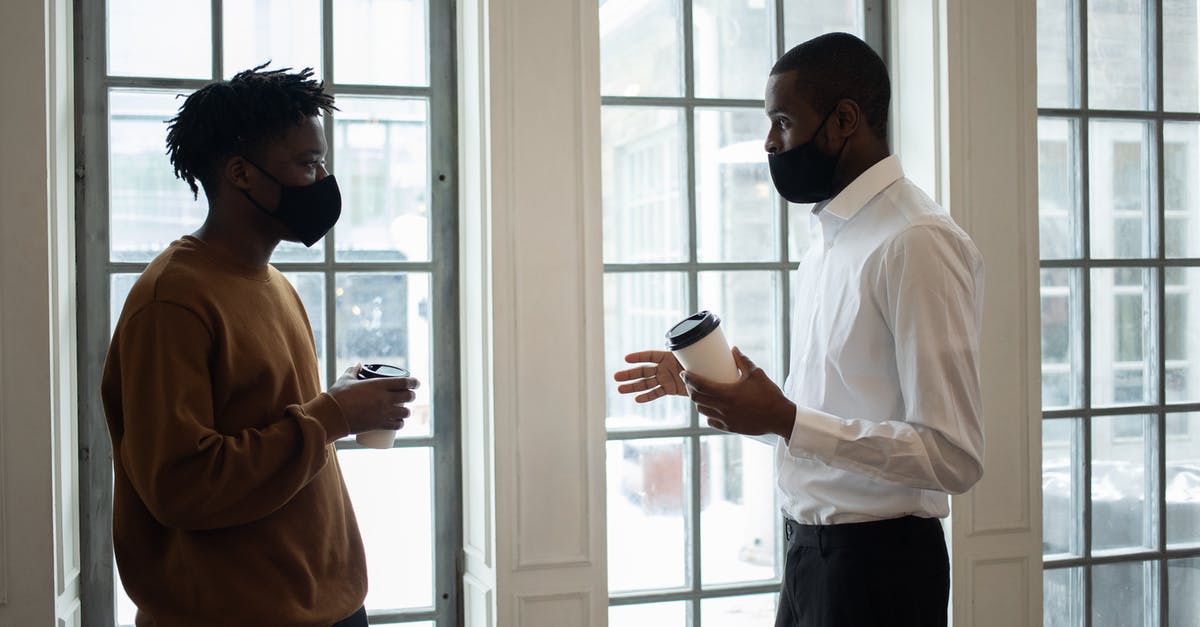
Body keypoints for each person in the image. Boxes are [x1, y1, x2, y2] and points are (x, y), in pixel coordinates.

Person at [614, 33, 984, 627]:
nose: (769, 142)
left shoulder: (917, 242)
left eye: (782, 122)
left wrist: (785, 418)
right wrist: (721, 390)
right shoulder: (829, 241)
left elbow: (953, 457)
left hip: (881, 575)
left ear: (844, 120)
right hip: (809, 561)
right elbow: (819, 417)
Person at [101, 65, 419, 627]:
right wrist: (331, 416)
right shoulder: (171, 300)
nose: (322, 180)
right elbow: (180, 486)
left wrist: (340, 405)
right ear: (242, 173)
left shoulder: (273, 282)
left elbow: (276, 420)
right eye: (307, 164)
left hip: (329, 602)